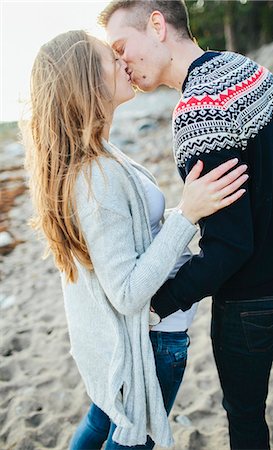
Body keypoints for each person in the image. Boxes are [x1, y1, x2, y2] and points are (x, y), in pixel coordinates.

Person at [22, 30, 248, 449]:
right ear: (87, 83)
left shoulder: (96, 157)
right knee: (130, 440)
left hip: (127, 341)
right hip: (151, 341)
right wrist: (188, 214)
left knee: (101, 422)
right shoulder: (97, 177)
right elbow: (126, 292)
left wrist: (185, 214)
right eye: (110, 59)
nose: (123, 61)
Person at [99, 1, 273, 449]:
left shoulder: (197, 111)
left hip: (250, 302)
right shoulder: (250, 70)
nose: (121, 62)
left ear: (156, 25)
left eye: (121, 47)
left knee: (246, 417)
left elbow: (229, 246)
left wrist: (160, 303)